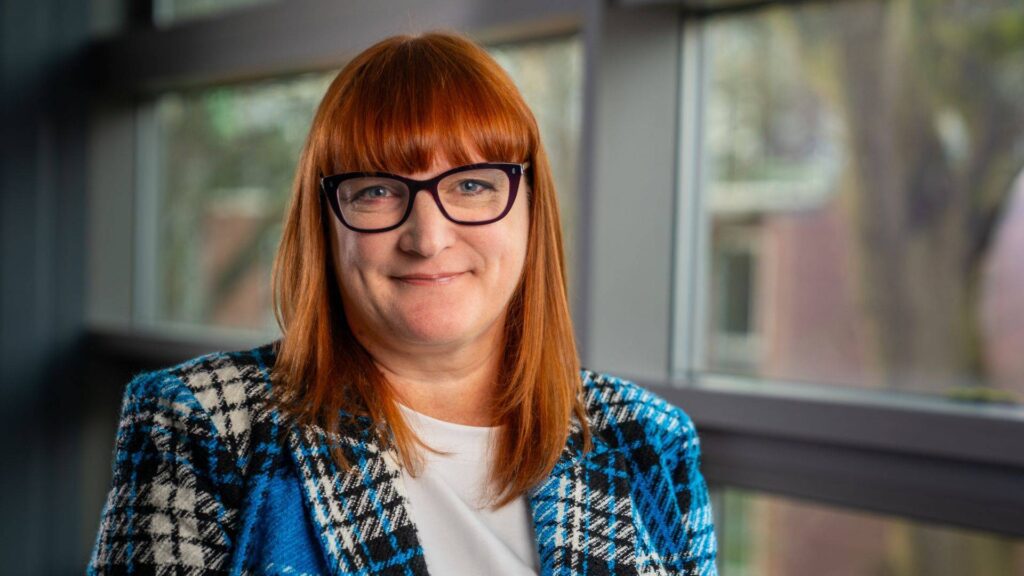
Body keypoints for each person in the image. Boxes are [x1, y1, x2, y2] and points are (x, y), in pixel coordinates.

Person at [88, 32, 718, 576]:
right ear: (326, 223)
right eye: (379, 192)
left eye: (472, 185)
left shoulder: (648, 440)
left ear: (532, 209)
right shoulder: (202, 426)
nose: (428, 238)